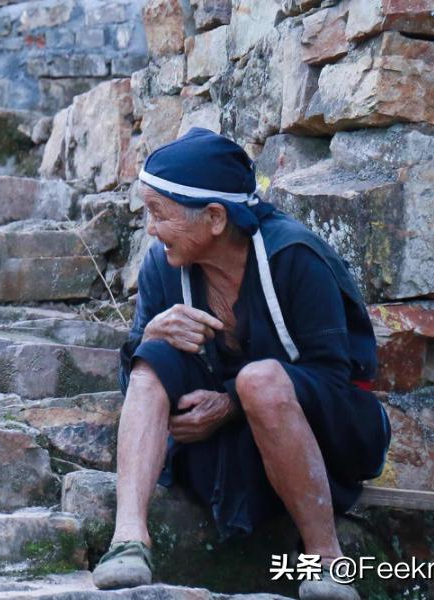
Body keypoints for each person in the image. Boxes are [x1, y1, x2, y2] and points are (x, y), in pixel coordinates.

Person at [91, 128, 392, 600]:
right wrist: (149, 336)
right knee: (151, 358)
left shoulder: (294, 257)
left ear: (215, 218)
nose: (150, 229)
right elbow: (133, 375)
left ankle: (326, 562)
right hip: (228, 446)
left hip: (329, 437)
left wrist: (233, 402)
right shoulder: (163, 266)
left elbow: (335, 379)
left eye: (159, 214)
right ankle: (129, 540)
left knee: (261, 380)